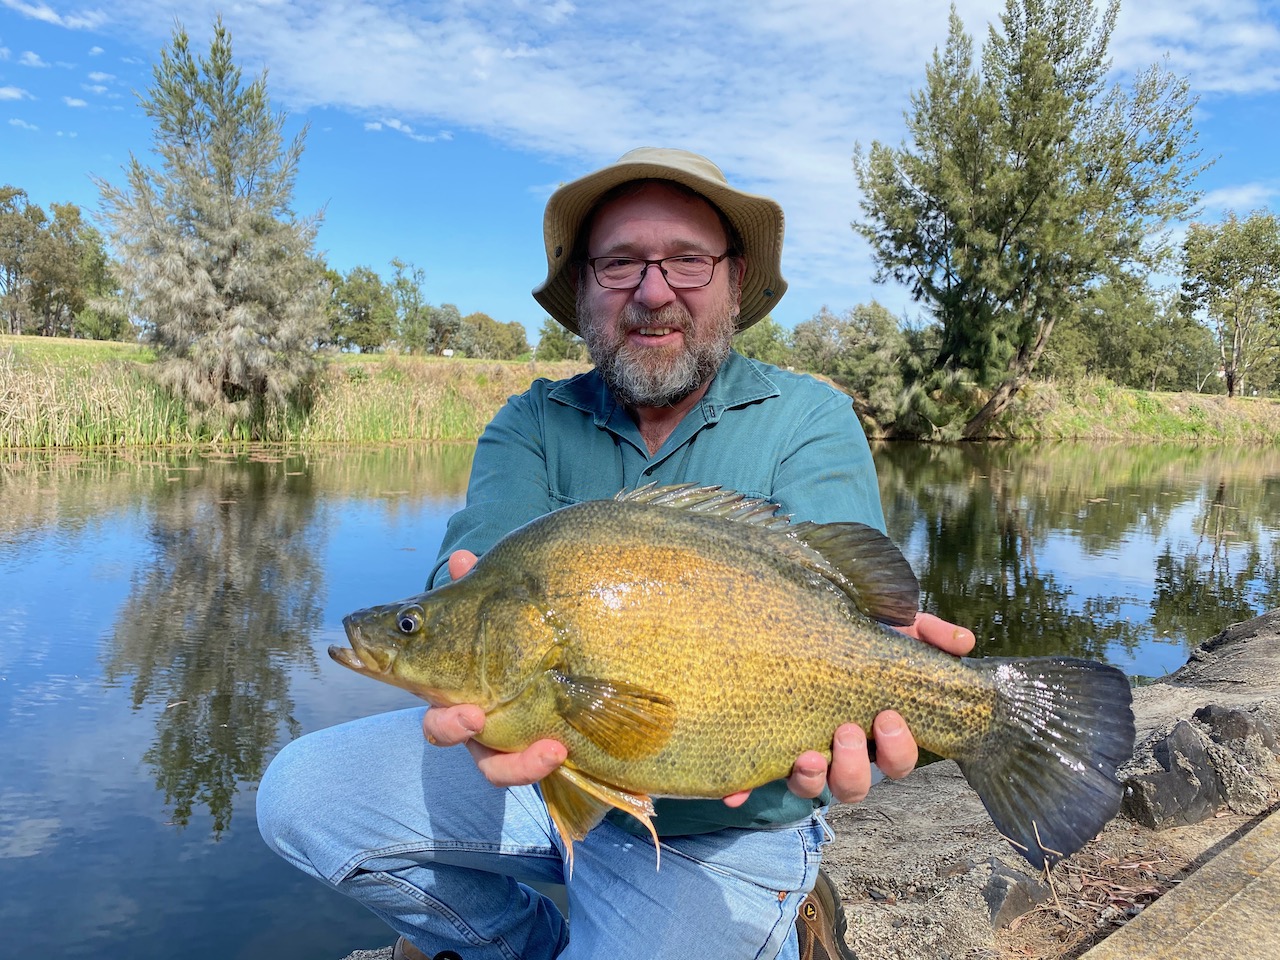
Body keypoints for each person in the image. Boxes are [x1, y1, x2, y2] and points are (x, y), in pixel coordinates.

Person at [257, 147, 975, 960]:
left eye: (688, 261)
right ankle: (522, 944)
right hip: (538, 767)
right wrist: (447, 628)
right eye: (620, 262)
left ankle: (794, 903)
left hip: (726, 827)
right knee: (300, 796)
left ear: (735, 281)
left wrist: (905, 677)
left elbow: (855, 601)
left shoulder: (807, 417)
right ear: (586, 291)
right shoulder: (530, 422)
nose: (654, 289)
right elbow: (473, 566)